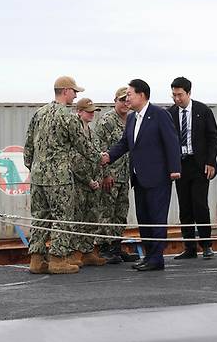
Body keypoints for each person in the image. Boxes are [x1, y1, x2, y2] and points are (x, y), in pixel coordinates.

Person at [23, 76, 102, 274]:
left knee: (40, 217)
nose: (76, 96)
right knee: (63, 217)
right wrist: (101, 158)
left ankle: (36, 260)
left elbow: (28, 147)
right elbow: (82, 145)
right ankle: (57, 260)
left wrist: (33, 167)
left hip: (38, 176)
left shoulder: (39, 113)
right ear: (66, 91)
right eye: (75, 92)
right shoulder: (67, 116)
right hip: (59, 178)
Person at [103, 79, 181, 271]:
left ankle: (157, 259)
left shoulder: (159, 115)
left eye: (129, 94)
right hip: (139, 178)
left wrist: (175, 168)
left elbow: (171, 142)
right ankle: (149, 256)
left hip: (158, 177)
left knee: (156, 218)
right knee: (144, 218)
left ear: (142, 95)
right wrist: (108, 156)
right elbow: (125, 143)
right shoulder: (131, 118)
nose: (127, 98)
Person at [167, 77, 217, 260]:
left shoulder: (202, 111)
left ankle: (206, 244)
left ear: (189, 93)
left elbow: (213, 137)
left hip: (199, 164)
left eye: (180, 95)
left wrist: (211, 161)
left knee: (200, 205)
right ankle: (189, 246)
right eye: (174, 95)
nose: (177, 99)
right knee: (185, 207)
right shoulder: (170, 113)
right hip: (180, 165)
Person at [94, 87, 139, 264]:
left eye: (127, 100)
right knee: (106, 212)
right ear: (115, 101)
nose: (125, 104)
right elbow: (99, 149)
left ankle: (116, 246)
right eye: (121, 100)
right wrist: (105, 174)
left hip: (124, 175)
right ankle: (104, 248)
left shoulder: (132, 120)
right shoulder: (106, 121)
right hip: (110, 176)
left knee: (120, 212)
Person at [70, 98, 107, 267]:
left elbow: (96, 156)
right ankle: (75, 253)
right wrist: (87, 180)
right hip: (78, 182)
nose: (92, 114)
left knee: (91, 217)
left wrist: (96, 179)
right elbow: (75, 160)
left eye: (93, 111)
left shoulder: (91, 132)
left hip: (92, 181)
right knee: (78, 218)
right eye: (88, 111)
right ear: (79, 112)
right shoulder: (74, 130)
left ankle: (87, 251)